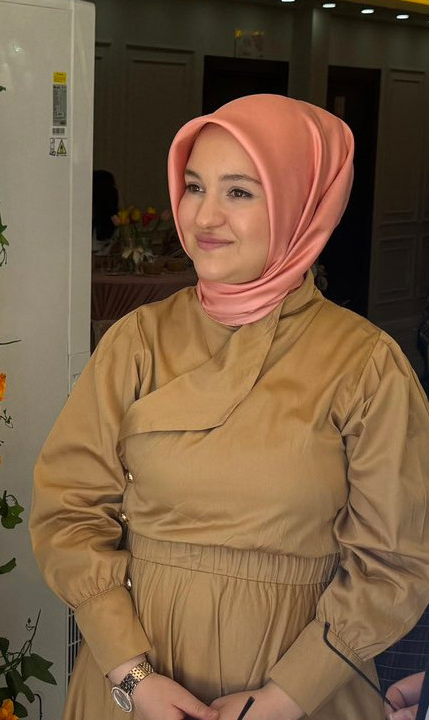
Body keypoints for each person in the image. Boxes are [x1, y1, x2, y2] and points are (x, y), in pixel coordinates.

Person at [30, 93, 429, 720]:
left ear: (302, 204)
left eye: (239, 191)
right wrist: (132, 676)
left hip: (304, 690)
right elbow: (69, 511)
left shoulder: (366, 365)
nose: (205, 215)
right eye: (194, 186)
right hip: (137, 682)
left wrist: (289, 696)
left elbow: (393, 561)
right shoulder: (137, 342)